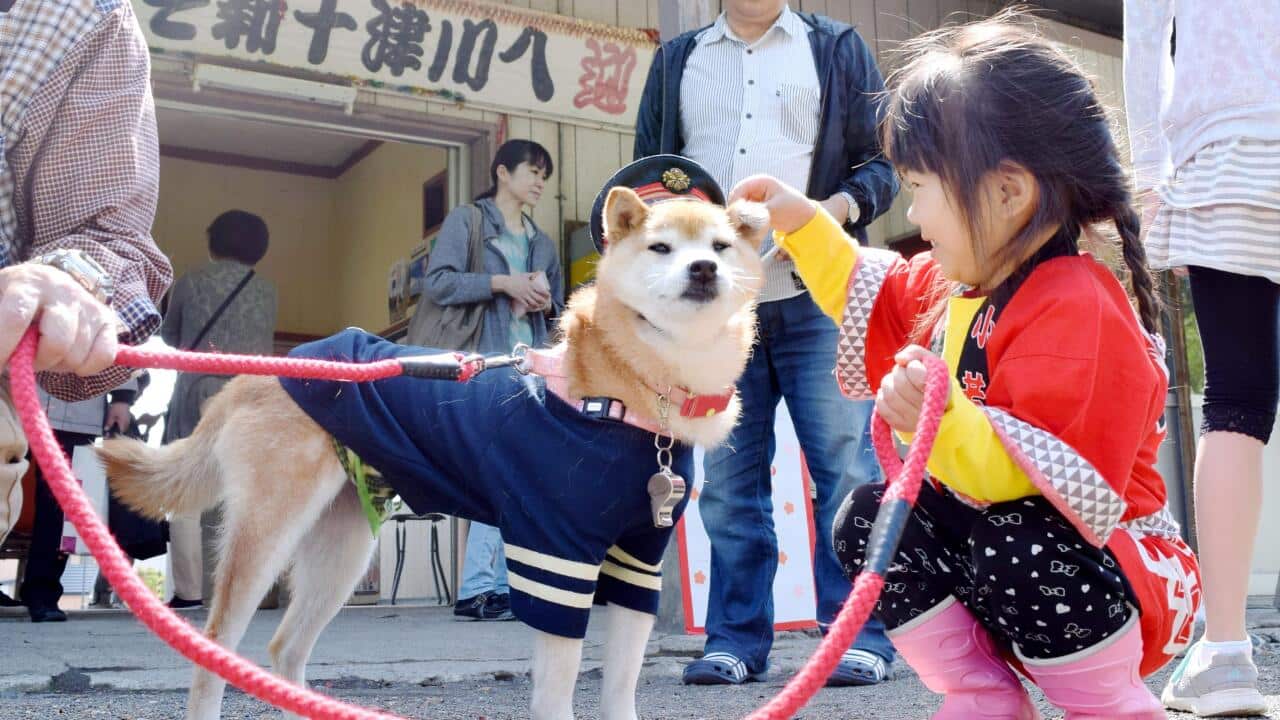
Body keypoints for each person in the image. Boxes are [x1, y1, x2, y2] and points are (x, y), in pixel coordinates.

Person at [732, 15, 1202, 718]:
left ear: (1008, 193)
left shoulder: (1080, 307)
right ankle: (981, 695)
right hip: (1010, 558)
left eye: (921, 189)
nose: (916, 217)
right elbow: (867, 284)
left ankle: (1112, 706)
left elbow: (1037, 474)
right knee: (868, 517)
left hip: (1112, 572)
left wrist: (941, 419)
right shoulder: (958, 284)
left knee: (1019, 539)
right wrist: (803, 223)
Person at [634, 0, 899, 686]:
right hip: (715, 309)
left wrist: (822, 217)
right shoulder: (679, 61)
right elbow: (648, 178)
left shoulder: (836, 48)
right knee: (727, 483)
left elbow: (879, 166)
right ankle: (733, 641)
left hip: (820, 294)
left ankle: (857, 636)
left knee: (846, 470)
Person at [1123, 1, 1280, 716]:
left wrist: (1155, 181)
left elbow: (1146, 42)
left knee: (1238, 402)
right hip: (1234, 149)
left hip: (1229, 160)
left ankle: (1225, 657)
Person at [0, 0, 172, 549]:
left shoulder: (88, 17)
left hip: (65, 374)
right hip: (58, 377)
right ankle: (44, 594)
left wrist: (66, 278)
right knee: (55, 487)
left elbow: (105, 245)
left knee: (57, 486)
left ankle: (44, 592)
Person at [414, 139, 563, 620]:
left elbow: (558, 313)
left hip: (530, 371)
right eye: (533, 170)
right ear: (503, 172)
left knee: (517, 477)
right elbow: (438, 281)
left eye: (546, 173)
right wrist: (503, 283)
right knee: (504, 474)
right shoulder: (469, 220)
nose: (541, 181)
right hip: (481, 366)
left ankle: (496, 587)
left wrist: (543, 300)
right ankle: (481, 586)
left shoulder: (543, 243)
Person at [161, 210, 277, 609]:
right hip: (251, 395)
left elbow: (171, 337)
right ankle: (243, 589)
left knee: (188, 491)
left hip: (199, 388)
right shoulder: (268, 291)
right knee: (242, 492)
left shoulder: (191, 281)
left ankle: (190, 591)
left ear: (214, 242)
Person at [13, 381, 139, 622]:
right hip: (14, 392)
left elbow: (120, 342)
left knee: (61, 507)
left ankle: (43, 592)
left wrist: (122, 397)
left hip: (79, 406)